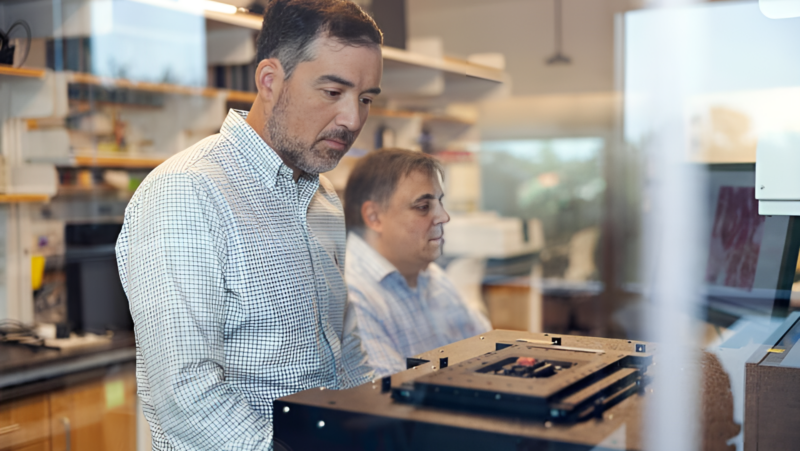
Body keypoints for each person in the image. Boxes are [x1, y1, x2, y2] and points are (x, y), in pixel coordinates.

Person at [114, 1, 382, 449]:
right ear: (270, 81)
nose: (353, 120)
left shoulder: (324, 199)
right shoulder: (187, 192)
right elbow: (185, 396)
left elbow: (347, 353)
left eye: (366, 99)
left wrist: (379, 432)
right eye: (333, 93)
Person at [343, 149, 492, 378]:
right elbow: (388, 398)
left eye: (440, 203)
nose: (443, 217)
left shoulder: (428, 274)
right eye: (423, 207)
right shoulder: (351, 293)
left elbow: (490, 352)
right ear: (374, 217)